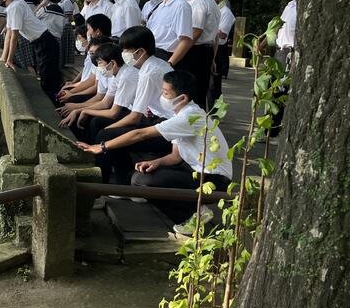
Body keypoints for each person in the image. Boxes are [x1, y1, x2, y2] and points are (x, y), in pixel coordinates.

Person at [79, 70, 232, 223]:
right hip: (195, 172)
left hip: (215, 180)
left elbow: (140, 134)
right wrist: (156, 162)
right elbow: (175, 156)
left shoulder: (189, 117)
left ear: (183, 98)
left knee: (140, 180)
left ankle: (192, 215)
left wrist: (102, 146)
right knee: (142, 174)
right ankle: (192, 210)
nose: (161, 96)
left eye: (165, 93)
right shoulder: (182, 114)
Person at [84, 26, 173, 184]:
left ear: (140, 52)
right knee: (102, 126)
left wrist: (108, 129)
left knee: (106, 135)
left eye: (126, 50)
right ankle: (121, 179)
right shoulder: (152, 65)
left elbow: (134, 117)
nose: (123, 54)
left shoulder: (149, 72)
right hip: (154, 119)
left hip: (165, 128)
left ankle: (102, 185)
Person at [60, 42, 140, 142]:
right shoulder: (116, 74)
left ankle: (89, 147)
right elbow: (105, 102)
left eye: (100, 63)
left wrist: (83, 110)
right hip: (129, 109)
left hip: (140, 115)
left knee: (97, 123)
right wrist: (78, 110)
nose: (98, 67)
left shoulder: (125, 76)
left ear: (113, 63)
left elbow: (113, 113)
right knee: (91, 118)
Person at [0, 0, 61, 100]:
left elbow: (14, 35)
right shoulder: (13, 6)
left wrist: (10, 60)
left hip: (45, 42)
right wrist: (4, 57)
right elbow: (8, 33)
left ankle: (53, 106)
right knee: (45, 75)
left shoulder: (16, 6)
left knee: (48, 78)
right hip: (40, 42)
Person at [180, 0, 220, 108]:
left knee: (192, 92)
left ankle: (193, 119)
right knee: (201, 90)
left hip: (196, 51)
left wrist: (183, 49)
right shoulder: (213, 3)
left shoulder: (200, 2)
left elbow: (196, 31)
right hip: (206, 51)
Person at [146, 0, 193, 67]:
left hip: (165, 57)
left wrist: (169, 64)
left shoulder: (181, 6)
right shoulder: (160, 5)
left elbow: (185, 40)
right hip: (153, 54)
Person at [207, 0, 235, 108]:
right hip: (211, 47)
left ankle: (214, 111)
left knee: (214, 84)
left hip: (219, 50)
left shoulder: (226, 13)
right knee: (209, 82)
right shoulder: (213, 9)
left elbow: (222, 34)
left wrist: (207, 28)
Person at [275, 0, 298, 71]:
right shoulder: (290, 5)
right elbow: (278, 26)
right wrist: (262, 44)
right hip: (280, 51)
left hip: (292, 52)